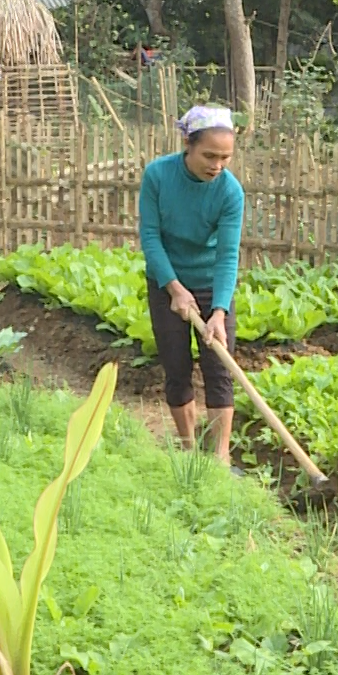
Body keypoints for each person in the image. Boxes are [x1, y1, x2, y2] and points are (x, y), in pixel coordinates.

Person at [139, 105, 245, 464]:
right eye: (210, 155)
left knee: (219, 368)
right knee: (177, 365)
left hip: (210, 284)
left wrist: (218, 310)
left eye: (225, 157)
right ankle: (187, 451)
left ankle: (219, 459)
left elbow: (228, 255)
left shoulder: (230, 193)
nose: (217, 165)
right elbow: (151, 237)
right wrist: (173, 287)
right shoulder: (157, 175)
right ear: (188, 143)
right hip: (166, 279)